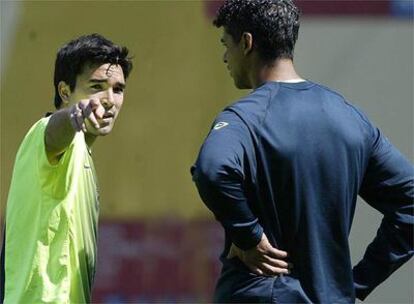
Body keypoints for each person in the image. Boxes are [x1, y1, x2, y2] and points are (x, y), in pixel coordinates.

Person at [191, 0, 413, 302]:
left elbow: (212, 170)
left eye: (226, 45)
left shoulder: (245, 118)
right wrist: (357, 282)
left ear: (246, 43)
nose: (224, 57)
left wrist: (249, 235)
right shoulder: (350, 118)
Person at [0, 33, 132, 303]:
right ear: (64, 91)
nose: (109, 99)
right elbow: (54, 131)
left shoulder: (82, 151)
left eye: (118, 89)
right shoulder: (46, 135)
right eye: (96, 87)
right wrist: (74, 115)